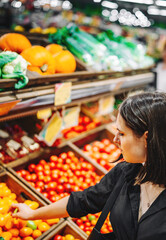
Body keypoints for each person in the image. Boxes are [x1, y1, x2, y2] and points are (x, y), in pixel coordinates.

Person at [10, 91, 166, 240]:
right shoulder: (126, 173)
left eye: (122, 134)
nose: (115, 139)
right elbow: (84, 200)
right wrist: (33, 214)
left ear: (147, 138)